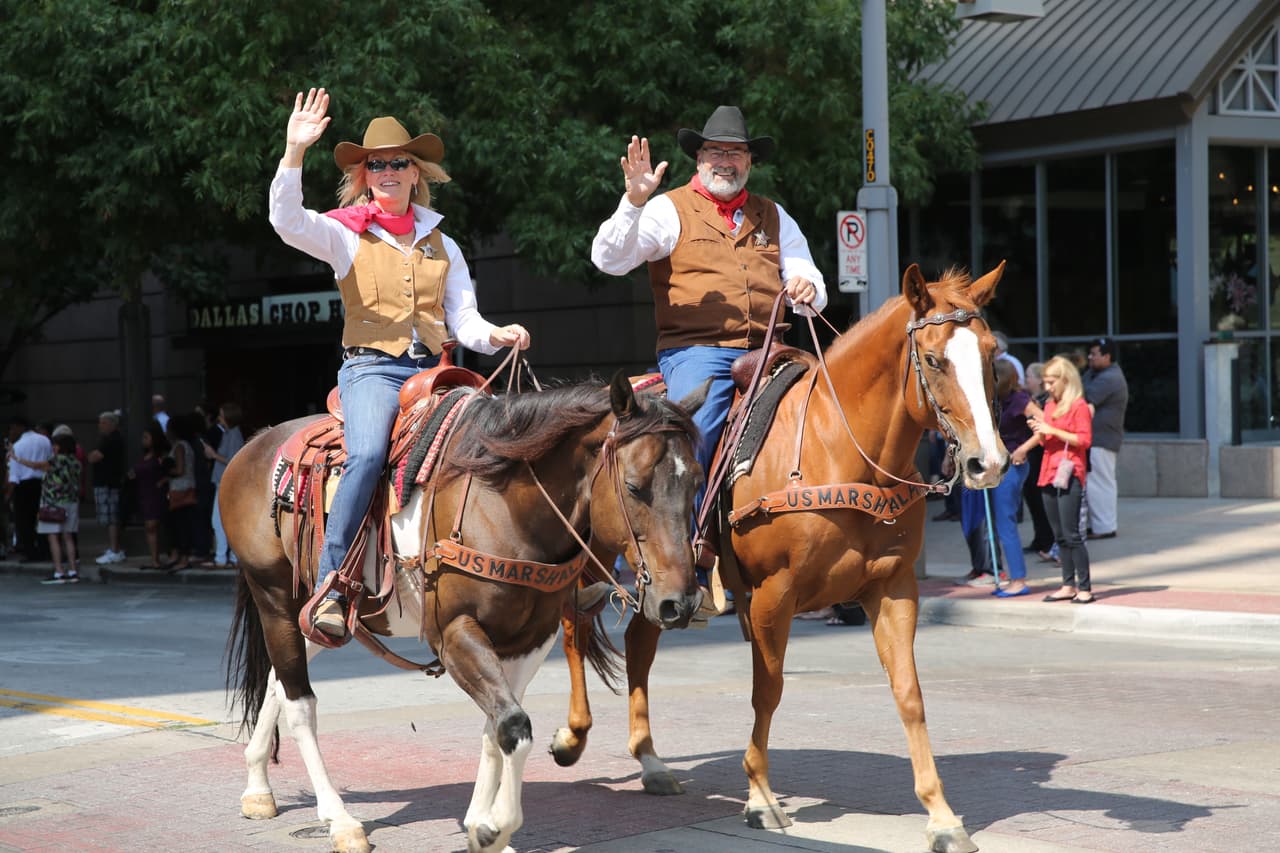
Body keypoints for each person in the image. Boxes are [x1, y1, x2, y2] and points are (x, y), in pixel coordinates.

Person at [269, 88, 530, 637]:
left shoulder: (445, 244)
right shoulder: (344, 234)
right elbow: (287, 220)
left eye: (398, 162)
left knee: (505, 440)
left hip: (435, 374)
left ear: (416, 172)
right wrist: (294, 151)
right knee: (365, 455)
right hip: (371, 370)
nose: (387, 170)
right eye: (377, 164)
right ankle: (332, 583)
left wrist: (498, 334)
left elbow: (466, 322)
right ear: (365, 176)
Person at [590, 105, 825, 538]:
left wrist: (807, 288)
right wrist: (634, 201)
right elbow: (610, 261)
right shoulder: (666, 209)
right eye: (715, 151)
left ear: (750, 162)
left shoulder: (774, 215)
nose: (725, 161)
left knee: (826, 409)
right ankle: (689, 549)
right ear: (699, 160)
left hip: (773, 351)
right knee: (692, 436)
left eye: (735, 152)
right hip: (700, 353)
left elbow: (807, 275)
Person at [1020, 356, 1095, 604]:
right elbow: (1047, 441)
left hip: (1070, 472)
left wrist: (1052, 430)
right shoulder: (1051, 406)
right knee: (1059, 534)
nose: (1048, 387)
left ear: (1065, 380)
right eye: (1045, 382)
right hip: (1049, 471)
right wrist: (1039, 431)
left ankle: (1084, 587)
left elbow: (1084, 440)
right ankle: (1067, 585)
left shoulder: (1079, 405)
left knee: (1072, 534)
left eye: (1052, 382)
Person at [991, 360, 1037, 597]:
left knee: (1005, 523)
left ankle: (1018, 579)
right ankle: (1008, 576)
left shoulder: (1020, 400)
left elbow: (1045, 426)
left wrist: (1023, 449)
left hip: (1013, 466)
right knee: (998, 524)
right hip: (995, 465)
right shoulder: (993, 400)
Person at [13, 434, 83, 583]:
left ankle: (59, 571)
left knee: (53, 537)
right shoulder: (76, 462)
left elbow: (35, 465)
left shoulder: (55, 461)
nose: (53, 447)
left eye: (56, 444)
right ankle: (73, 570)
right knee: (68, 537)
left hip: (53, 503)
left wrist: (16, 458)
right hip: (71, 502)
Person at [1082, 336, 1128, 539]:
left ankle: (1105, 528)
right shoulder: (1095, 373)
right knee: (1094, 484)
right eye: (1090, 353)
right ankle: (1098, 525)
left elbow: (1082, 396)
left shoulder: (1110, 377)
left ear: (1107, 357)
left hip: (1102, 440)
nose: (1090, 358)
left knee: (1100, 483)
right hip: (1095, 440)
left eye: (1094, 354)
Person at [202, 402, 244, 568]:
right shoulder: (229, 433)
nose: (219, 417)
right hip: (223, 482)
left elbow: (234, 460)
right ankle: (229, 557)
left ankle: (224, 557)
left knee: (219, 520)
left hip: (227, 483)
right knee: (221, 521)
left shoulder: (234, 434)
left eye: (221, 414)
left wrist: (213, 455)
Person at [1020, 362, 1054, 557]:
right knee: (1032, 499)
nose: (1026, 380)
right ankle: (1039, 539)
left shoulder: (1046, 401)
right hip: (1031, 457)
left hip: (1040, 455)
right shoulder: (1030, 399)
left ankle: (1048, 542)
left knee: (1042, 501)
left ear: (1040, 380)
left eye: (1029, 376)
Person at [6, 416, 52, 562]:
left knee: (24, 521)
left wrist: (8, 493)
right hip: (42, 483)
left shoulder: (18, 446)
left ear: (20, 427)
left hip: (23, 486)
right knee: (42, 519)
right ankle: (45, 549)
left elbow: (14, 474)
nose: (11, 432)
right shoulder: (45, 440)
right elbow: (50, 461)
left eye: (13, 428)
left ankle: (31, 552)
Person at [128, 421, 170, 570]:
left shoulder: (161, 457)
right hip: (144, 493)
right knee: (149, 526)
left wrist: (164, 480)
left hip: (155, 493)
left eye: (146, 437)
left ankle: (157, 558)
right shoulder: (144, 456)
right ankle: (154, 558)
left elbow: (171, 471)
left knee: (153, 525)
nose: (143, 440)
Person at [89, 411, 128, 564]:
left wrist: (93, 455)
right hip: (107, 482)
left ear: (112, 424)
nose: (100, 426)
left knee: (111, 517)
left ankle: (115, 549)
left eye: (103, 423)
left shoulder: (111, 439)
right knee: (110, 518)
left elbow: (93, 457)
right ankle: (114, 548)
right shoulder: (108, 439)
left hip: (109, 483)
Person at [163, 417, 199, 571]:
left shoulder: (179, 446)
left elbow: (180, 469)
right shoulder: (188, 446)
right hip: (187, 487)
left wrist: (165, 470)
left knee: (180, 525)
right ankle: (180, 556)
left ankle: (182, 557)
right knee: (182, 523)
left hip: (180, 489)